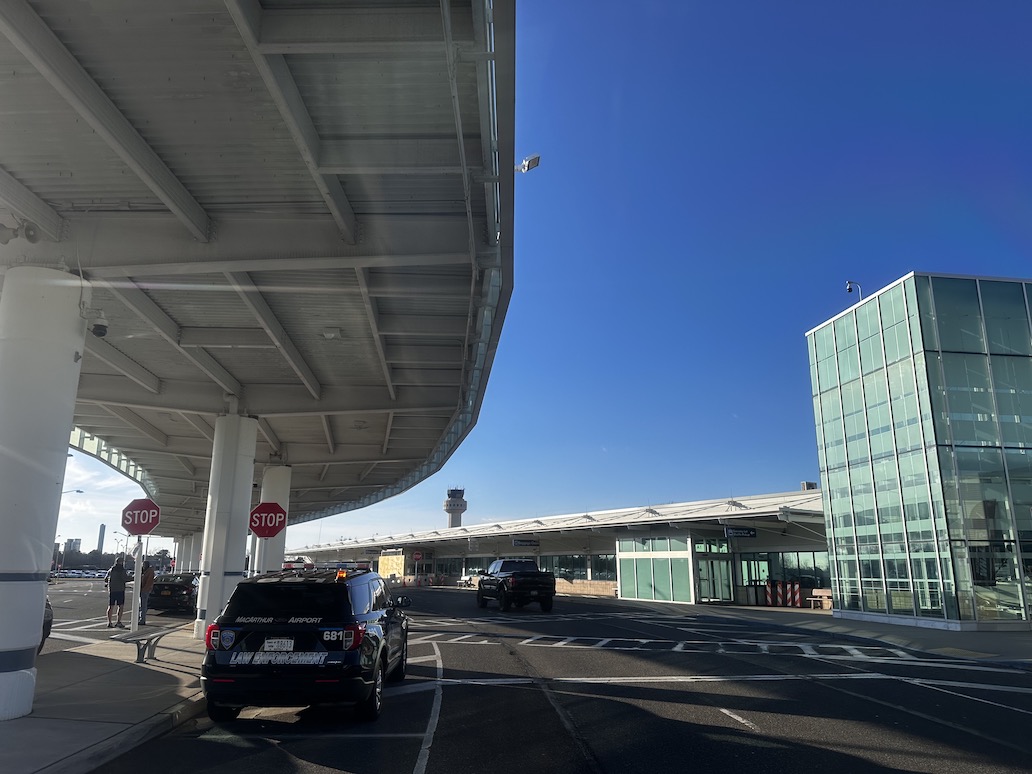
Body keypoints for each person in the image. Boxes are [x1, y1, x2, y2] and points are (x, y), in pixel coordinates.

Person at [105, 557, 129, 628]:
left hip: (112, 590)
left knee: (111, 606)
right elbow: (125, 578)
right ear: (121, 562)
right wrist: (133, 577)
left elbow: (105, 579)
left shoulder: (111, 570)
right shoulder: (122, 570)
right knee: (120, 606)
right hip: (120, 589)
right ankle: (118, 621)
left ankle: (109, 622)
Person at [138, 560, 155, 625]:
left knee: (143, 606)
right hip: (141, 590)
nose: (143, 566)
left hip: (145, 590)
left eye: (144, 565)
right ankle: (139, 618)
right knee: (140, 605)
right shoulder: (144, 571)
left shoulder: (149, 572)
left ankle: (142, 619)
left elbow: (149, 582)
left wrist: (144, 589)